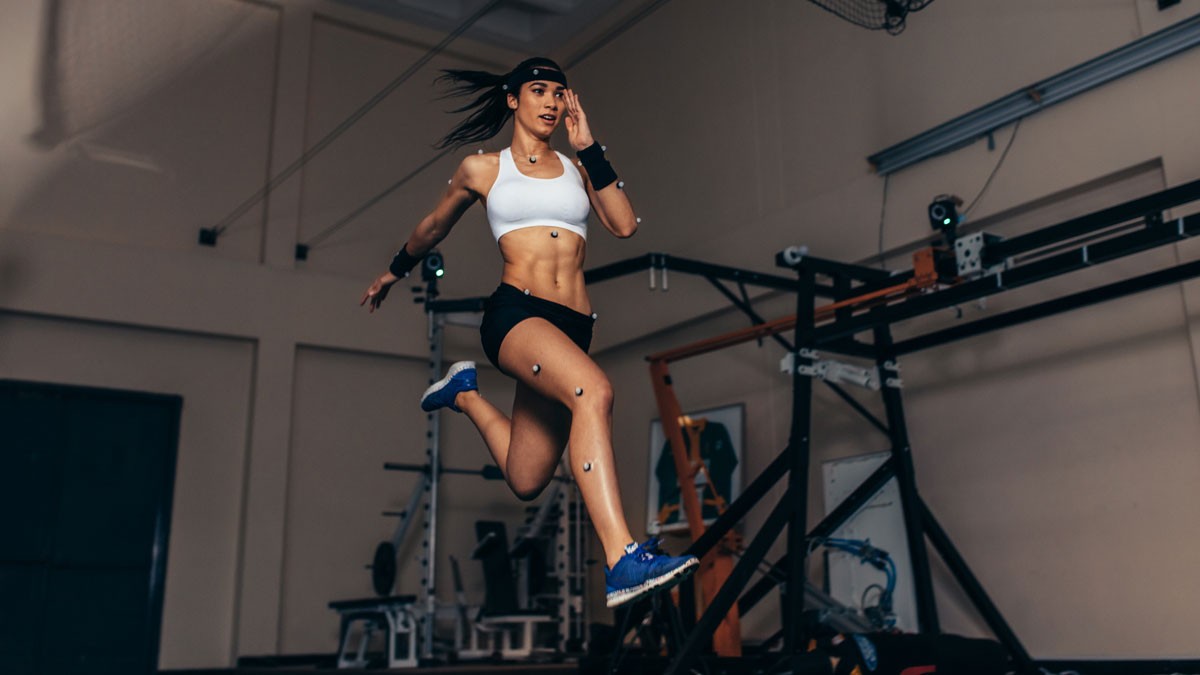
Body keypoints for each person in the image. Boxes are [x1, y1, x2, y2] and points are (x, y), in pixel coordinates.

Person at [360, 57, 697, 608]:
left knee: (525, 476)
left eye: (559, 93)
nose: (551, 102)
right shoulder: (483, 168)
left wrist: (589, 147)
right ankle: (622, 560)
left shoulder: (575, 166)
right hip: (517, 314)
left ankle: (464, 394)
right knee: (595, 391)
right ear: (513, 99)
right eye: (538, 90)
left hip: (571, 326)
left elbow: (624, 223)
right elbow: (434, 225)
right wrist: (395, 269)